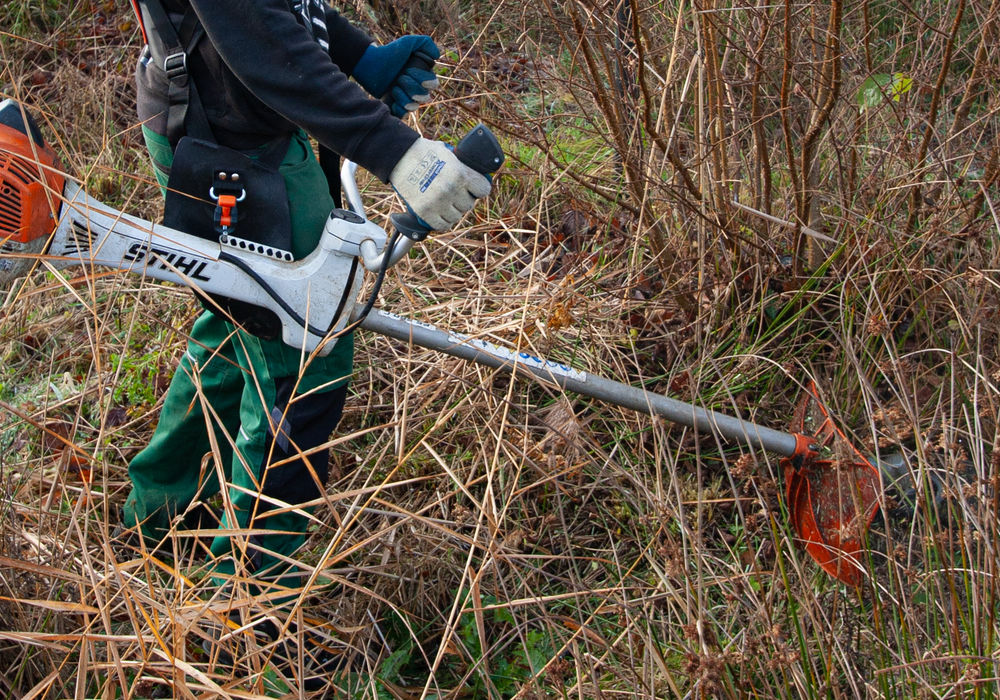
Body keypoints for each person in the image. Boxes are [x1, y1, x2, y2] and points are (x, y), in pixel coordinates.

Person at [118, 0, 491, 675]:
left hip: (237, 126)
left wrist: (351, 53)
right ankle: (250, 620)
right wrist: (396, 151)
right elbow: (257, 40)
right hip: (231, 143)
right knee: (304, 354)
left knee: (239, 328)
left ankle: (161, 515)